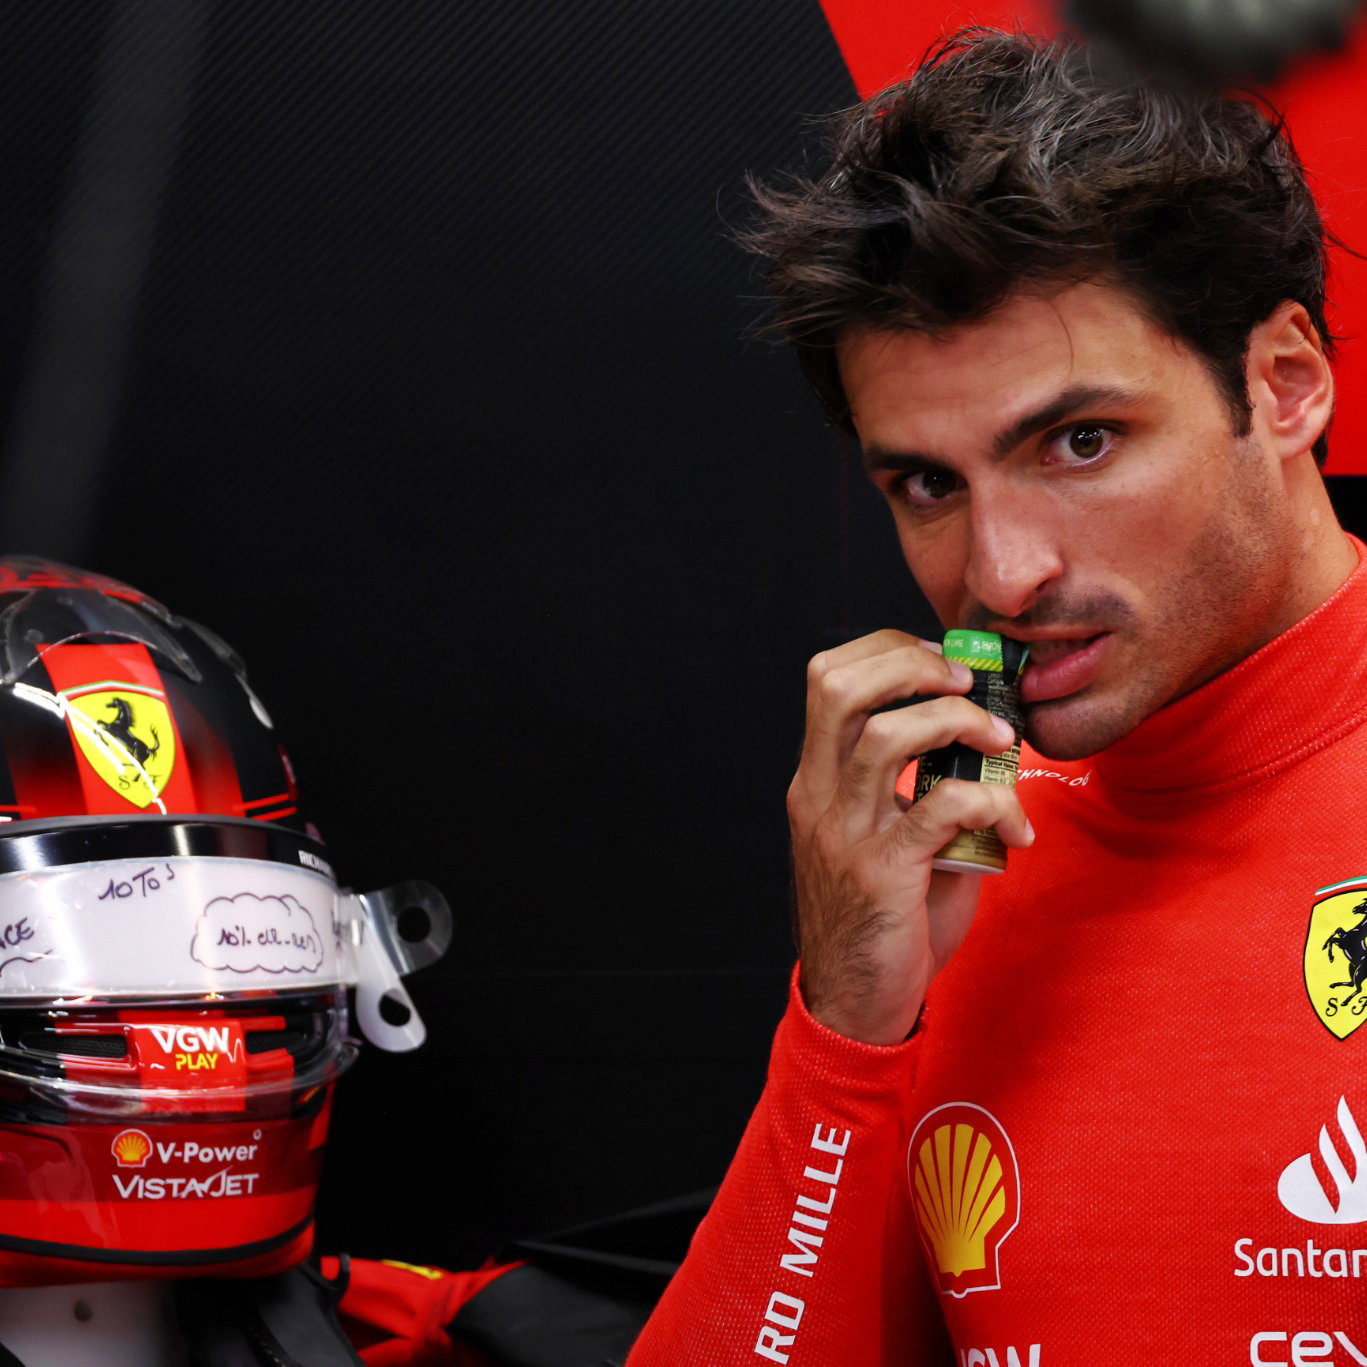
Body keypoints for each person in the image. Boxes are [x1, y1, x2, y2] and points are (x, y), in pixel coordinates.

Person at [626, 26, 1367, 1365]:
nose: (1003, 576)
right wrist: (848, 1028)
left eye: (1080, 442)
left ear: (1285, 384)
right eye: (929, 483)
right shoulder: (947, 862)